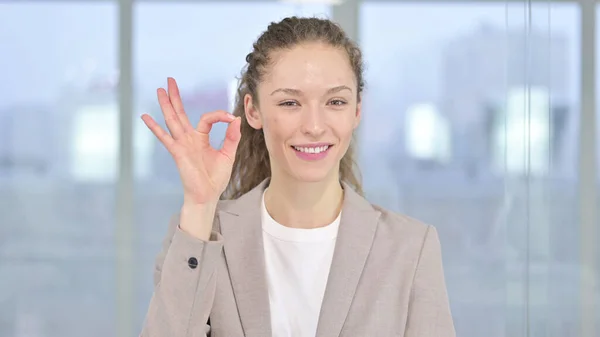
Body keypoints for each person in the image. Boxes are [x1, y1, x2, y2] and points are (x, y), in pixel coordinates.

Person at [139, 16, 455, 337]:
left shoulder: (410, 248)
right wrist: (200, 203)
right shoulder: (202, 233)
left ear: (356, 110)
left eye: (335, 101)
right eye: (290, 102)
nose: (314, 126)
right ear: (253, 111)